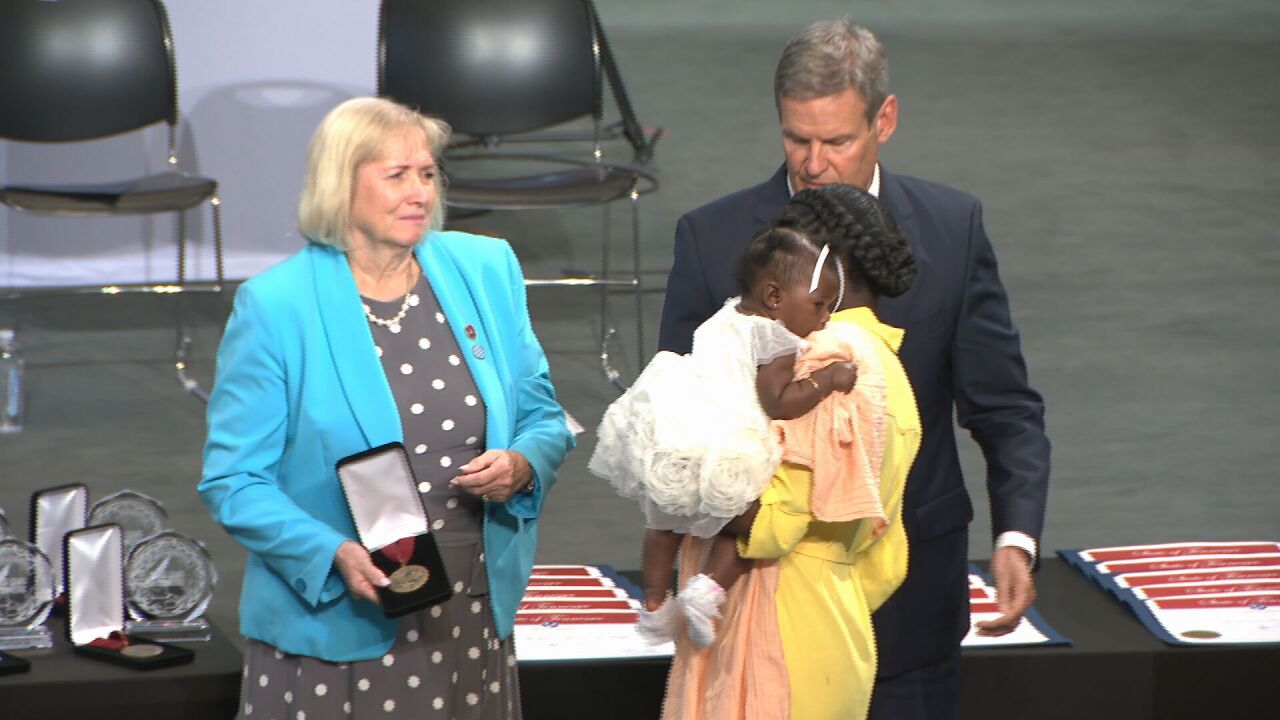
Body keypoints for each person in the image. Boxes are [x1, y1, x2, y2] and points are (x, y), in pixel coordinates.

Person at [658, 18, 1051, 719]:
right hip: (761, 614)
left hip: (911, 608)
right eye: (796, 138)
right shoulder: (710, 237)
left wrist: (1016, 537)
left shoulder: (952, 228)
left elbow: (1004, 405)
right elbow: (675, 413)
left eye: (836, 141)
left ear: (885, 119)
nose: (813, 163)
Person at [199, 97, 574, 719]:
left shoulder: (485, 268)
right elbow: (234, 481)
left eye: (426, 174)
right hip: (342, 620)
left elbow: (542, 412)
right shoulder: (276, 306)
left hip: (472, 607)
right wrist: (330, 554)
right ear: (341, 185)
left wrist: (526, 462)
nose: (419, 192)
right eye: (396, 175)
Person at [662, 183, 921, 720]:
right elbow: (887, 559)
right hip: (832, 625)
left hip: (778, 634)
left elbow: (774, 522)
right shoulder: (891, 370)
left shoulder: (819, 358)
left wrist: (678, 477)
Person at [589, 223, 853, 647]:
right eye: (820, 305)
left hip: (679, 429)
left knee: (663, 525)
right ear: (775, 297)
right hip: (728, 445)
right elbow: (778, 401)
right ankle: (708, 589)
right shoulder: (776, 336)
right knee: (751, 525)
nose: (825, 319)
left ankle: (655, 601)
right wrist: (829, 378)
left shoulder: (726, 314)